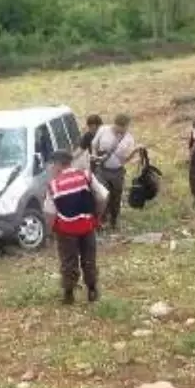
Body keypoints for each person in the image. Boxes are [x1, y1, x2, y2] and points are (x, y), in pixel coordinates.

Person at [43, 150, 109, 305]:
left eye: (52, 165)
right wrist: (97, 216)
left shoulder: (54, 185)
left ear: (58, 164)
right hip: (87, 225)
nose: (51, 168)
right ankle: (92, 290)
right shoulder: (85, 176)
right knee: (89, 259)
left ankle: (69, 294)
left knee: (68, 261)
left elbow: (49, 212)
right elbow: (103, 196)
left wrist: (50, 230)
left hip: (66, 229)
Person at [90, 113, 139, 231]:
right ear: (116, 125)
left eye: (125, 128)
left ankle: (113, 220)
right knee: (101, 195)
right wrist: (95, 156)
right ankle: (99, 221)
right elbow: (94, 145)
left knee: (116, 197)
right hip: (102, 169)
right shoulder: (103, 130)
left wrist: (135, 152)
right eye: (121, 128)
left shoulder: (128, 138)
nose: (123, 130)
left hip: (117, 171)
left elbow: (127, 158)